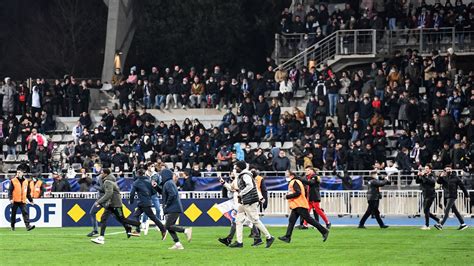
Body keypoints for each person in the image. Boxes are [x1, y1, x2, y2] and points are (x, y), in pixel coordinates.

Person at [229, 161, 275, 248]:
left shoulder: (245, 175)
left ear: (240, 167)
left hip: (250, 201)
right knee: (238, 221)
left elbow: (250, 186)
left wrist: (241, 193)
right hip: (246, 201)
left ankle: (269, 237)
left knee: (255, 220)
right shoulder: (243, 175)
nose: (235, 169)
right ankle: (239, 242)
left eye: (236, 167)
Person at [91, 168, 141, 245]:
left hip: (116, 205)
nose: (101, 174)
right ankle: (101, 237)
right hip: (111, 204)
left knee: (123, 219)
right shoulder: (110, 181)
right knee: (103, 218)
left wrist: (99, 201)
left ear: (105, 174)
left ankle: (139, 224)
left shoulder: (108, 182)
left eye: (102, 173)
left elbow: (109, 193)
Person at [278, 171, 329, 243]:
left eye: (287, 175)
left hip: (300, 204)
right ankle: (287, 237)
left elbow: (298, 192)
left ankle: (324, 231)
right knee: (292, 220)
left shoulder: (295, 181)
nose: (286, 177)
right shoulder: (296, 181)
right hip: (297, 205)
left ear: (292, 176)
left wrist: (287, 196)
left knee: (309, 219)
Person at [218, 172, 261, 246]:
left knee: (248, 221)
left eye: (233, 172)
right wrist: (224, 183)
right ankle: (257, 238)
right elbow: (232, 188)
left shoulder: (241, 179)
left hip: (243, 202)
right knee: (238, 221)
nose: (232, 174)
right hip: (240, 202)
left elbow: (236, 189)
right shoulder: (239, 179)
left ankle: (259, 238)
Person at [159, 169, 193, 250]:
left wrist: (167, 203)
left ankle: (186, 230)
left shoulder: (168, 183)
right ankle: (178, 244)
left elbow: (172, 194)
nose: (160, 177)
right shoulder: (168, 183)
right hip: (173, 208)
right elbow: (163, 192)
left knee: (168, 226)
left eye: (161, 175)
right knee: (170, 227)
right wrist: (156, 186)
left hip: (173, 208)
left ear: (165, 175)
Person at [129, 169, 167, 239]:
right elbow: (153, 192)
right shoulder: (149, 181)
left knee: (153, 218)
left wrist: (131, 201)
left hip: (143, 203)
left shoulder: (136, 182)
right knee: (136, 215)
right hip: (146, 202)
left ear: (138, 174)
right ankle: (137, 230)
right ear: (144, 174)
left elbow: (132, 193)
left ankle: (163, 229)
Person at [434, 166, 469, 231]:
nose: (448, 170)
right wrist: (440, 176)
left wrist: (467, 195)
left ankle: (441, 225)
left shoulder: (456, 178)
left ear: (451, 169)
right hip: (447, 196)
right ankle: (463, 224)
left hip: (452, 196)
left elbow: (462, 187)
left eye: (449, 169)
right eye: (447, 169)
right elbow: (438, 182)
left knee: (447, 210)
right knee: (455, 211)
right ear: (445, 170)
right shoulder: (444, 177)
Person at [415, 164, 440, 230]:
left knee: (426, 210)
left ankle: (427, 225)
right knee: (426, 211)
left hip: (431, 195)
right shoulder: (424, 175)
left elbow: (432, 182)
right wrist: (418, 175)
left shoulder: (432, 175)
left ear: (430, 169)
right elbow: (417, 181)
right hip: (425, 195)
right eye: (425, 168)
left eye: (427, 168)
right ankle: (438, 220)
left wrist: (423, 176)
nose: (425, 169)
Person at [87, 165, 104, 237]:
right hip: (105, 198)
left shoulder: (100, 178)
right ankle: (127, 227)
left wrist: (94, 185)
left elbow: (102, 189)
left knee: (92, 212)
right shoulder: (102, 177)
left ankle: (95, 230)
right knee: (116, 215)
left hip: (103, 199)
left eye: (97, 167)